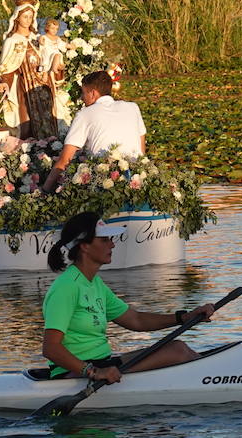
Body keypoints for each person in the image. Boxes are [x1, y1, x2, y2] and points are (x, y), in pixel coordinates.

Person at [42, 211, 215, 381]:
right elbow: (50, 348)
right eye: (104, 240)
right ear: (84, 246)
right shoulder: (66, 287)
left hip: (103, 363)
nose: (112, 245)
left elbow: (136, 320)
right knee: (179, 352)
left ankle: (213, 376)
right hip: (77, 372)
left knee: (178, 347)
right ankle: (215, 379)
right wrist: (93, 372)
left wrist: (184, 317)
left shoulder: (95, 284)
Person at [42, 70, 146, 193]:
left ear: (93, 93)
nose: (82, 98)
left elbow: (65, 161)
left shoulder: (84, 114)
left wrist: (45, 190)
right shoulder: (133, 107)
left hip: (104, 184)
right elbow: (142, 150)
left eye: (83, 93)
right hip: (137, 178)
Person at [0, 3, 64, 140]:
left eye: (30, 17)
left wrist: (58, 66)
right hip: (26, 87)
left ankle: (52, 147)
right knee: (29, 122)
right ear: (17, 18)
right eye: (25, 16)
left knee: (50, 118)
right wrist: (4, 82)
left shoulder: (39, 38)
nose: (28, 20)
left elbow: (51, 56)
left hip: (45, 84)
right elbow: (8, 67)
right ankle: (32, 152)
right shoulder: (12, 41)